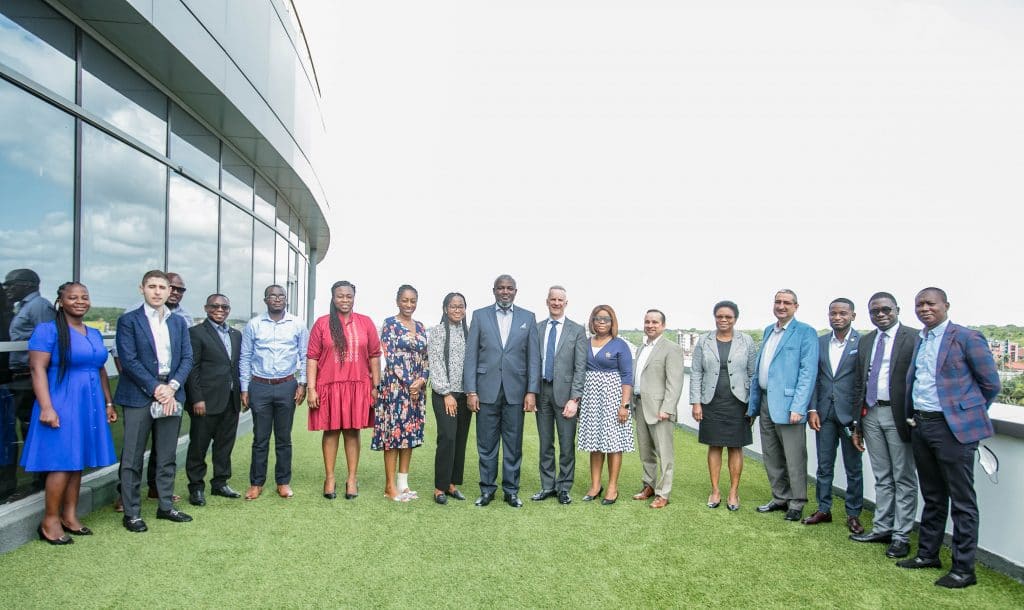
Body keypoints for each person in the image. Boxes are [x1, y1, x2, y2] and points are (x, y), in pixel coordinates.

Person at [896, 287, 1000, 589]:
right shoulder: (922, 339)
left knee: (962, 500)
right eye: (919, 304)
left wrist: (963, 414)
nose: (924, 309)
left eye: (930, 303)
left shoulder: (967, 337)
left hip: (953, 429)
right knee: (933, 495)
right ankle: (927, 554)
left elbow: (990, 384)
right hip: (921, 425)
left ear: (946, 306)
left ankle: (963, 570)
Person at [20, 282, 117, 543]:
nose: (80, 301)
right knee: (62, 462)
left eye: (84, 297)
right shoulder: (47, 330)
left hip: (89, 403)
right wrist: (47, 407)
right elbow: (37, 369)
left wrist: (108, 403)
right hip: (61, 402)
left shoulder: (93, 333)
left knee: (76, 463)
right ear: (61, 302)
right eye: (73, 297)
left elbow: (100, 369)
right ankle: (49, 521)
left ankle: (69, 516)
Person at [115, 270, 194, 532]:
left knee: (167, 454)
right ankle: (132, 513)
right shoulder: (129, 321)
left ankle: (165, 506)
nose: (158, 292)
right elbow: (128, 360)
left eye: (162, 287)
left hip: (171, 392)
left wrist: (171, 387)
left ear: (169, 291)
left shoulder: (178, 322)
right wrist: (156, 388)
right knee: (133, 457)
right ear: (142, 289)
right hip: (139, 394)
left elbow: (187, 358)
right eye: (152, 286)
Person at [849, 292, 919, 559]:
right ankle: (882, 528)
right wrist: (857, 424)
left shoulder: (913, 338)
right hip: (871, 414)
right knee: (882, 476)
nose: (880, 314)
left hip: (898, 415)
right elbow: (859, 382)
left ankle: (901, 535)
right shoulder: (867, 341)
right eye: (874, 311)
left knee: (903, 477)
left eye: (886, 309)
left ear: (897, 309)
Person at [464, 274, 540, 509]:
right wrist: (471, 391)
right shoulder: (479, 316)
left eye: (509, 288)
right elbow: (471, 356)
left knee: (513, 444)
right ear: (494, 290)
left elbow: (533, 358)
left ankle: (511, 491)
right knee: (486, 444)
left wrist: (531, 391)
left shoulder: (528, 317)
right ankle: (487, 490)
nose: (505, 292)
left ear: (515, 291)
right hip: (485, 391)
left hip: (516, 392)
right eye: (501, 288)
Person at [748, 289, 818, 522]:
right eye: (777, 301)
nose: (781, 306)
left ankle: (797, 502)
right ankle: (780, 497)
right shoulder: (769, 330)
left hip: (790, 406)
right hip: (766, 401)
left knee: (794, 456)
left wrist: (799, 406)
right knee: (772, 454)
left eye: (787, 302)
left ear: (796, 306)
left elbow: (808, 372)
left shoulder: (805, 332)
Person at [306, 281, 380, 500]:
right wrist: (311, 388)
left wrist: (376, 386)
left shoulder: (365, 322)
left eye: (349, 296)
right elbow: (312, 357)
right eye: (340, 296)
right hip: (329, 386)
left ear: (354, 298)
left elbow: (375, 355)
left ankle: (351, 479)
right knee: (330, 431)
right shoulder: (322, 323)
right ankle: (329, 478)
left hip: (357, 386)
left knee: (352, 431)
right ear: (333, 297)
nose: (345, 300)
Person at [240, 284, 307, 500]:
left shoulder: (297, 324)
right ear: (265, 300)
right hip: (259, 386)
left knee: (283, 437)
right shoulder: (254, 324)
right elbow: (245, 357)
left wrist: (302, 384)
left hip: (287, 385)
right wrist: (244, 387)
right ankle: (256, 483)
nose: (277, 299)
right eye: (272, 296)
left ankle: (283, 482)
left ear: (286, 299)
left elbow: (305, 355)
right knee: (260, 438)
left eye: (281, 296)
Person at [804, 298, 864, 533]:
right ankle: (823, 509)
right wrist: (812, 409)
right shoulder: (819, 342)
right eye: (833, 313)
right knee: (824, 465)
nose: (837, 317)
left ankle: (853, 514)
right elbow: (814, 378)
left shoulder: (863, 342)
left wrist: (860, 418)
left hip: (850, 416)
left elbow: (863, 382)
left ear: (852, 316)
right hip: (824, 414)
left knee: (853, 468)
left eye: (843, 313)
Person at [690, 300, 756, 511]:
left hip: (739, 403)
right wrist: (696, 402)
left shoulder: (747, 341)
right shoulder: (704, 340)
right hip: (711, 402)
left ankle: (734, 492)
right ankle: (715, 490)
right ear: (715, 318)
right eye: (720, 316)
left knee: (736, 446)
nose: (724, 320)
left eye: (728, 316)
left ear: (735, 318)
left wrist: (753, 405)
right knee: (714, 445)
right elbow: (696, 372)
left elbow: (753, 374)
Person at [184, 294, 243, 506]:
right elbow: (192, 368)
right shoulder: (196, 333)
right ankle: (196, 487)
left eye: (224, 307)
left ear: (229, 310)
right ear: (206, 308)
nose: (220, 310)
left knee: (224, 445)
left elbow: (236, 366)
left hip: (230, 400)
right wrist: (197, 398)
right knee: (198, 446)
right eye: (215, 306)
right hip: (205, 402)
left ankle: (220, 483)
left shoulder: (236, 335)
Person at [373, 285, 429, 501]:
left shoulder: (421, 326)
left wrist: (421, 380)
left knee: (409, 435)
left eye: (413, 301)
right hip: (395, 389)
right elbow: (391, 357)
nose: (409, 304)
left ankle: (403, 485)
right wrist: (410, 383)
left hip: (417, 391)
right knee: (393, 435)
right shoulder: (390, 324)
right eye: (405, 300)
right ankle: (390, 487)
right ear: (397, 301)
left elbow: (426, 358)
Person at [531, 286, 586, 505]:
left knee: (566, 444)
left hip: (566, 395)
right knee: (545, 443)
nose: (556, 303)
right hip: (542, 392)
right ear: (547, 302)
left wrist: (575, 399)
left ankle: (564, 487)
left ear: (566, 303)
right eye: (552, 299)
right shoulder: (537, 328)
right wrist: (531, 393)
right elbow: (532, 362)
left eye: (560, 300)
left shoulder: (577, 330)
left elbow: (580, 367)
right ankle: (547, 486)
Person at [3, 268, 56, 494]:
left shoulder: (39, 307)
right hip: (18, 377)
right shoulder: (21, 307)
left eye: (11, 284)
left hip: (30, 377)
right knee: (22, 429)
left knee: (33, 430)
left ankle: (42, 480)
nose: (7, 288)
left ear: (28, 284)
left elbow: (49, 341)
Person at [577, 305, 633, 506]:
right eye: (598, 318)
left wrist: (624, 405)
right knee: (595, 443)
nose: (601, 322)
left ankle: (612, 487)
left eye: (606, 319)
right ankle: (595, 486)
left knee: (613, 444)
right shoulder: (585, 343)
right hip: (591, 399)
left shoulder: (620, 345)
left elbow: (627, 376)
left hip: (613, 398)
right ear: (592, 321)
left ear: (612, 322)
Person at [630, 309, 683, 509]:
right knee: (646, 451)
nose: (650, 325)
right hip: (640, 405)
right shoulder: (641, 348)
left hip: (660, 410)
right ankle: (649, 486)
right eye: (647, 322)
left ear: (663, 325)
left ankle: (663, 493)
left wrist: (667, 408)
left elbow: (675, 382)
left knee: (664, 454)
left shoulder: (672, 348)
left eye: (655, 322)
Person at [427, 292, 471, 505]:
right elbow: (435, 362)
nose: (457, 310)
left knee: (460, 439)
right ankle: (439, 487)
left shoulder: (469, 332)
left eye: (461, 306)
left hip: (465, 394)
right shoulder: (437, 332)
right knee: (447, 437)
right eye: (453, 306)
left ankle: (452, 484)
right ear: (445, 309)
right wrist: (446, 393)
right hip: (444, 394)